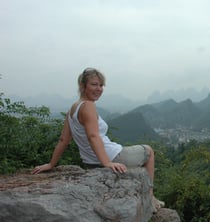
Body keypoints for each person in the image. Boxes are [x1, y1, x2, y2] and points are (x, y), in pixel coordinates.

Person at [31, 67, 164, 212]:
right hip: (112, 156)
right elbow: (93, 136)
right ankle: (150, 196)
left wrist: (51, 164)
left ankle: (148, 195)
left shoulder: (72, 109)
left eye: (101, 85)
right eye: (94, 84)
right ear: (83, 86)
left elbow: (64, 140)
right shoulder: (88, 106)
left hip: (90, 163)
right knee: (149, 151)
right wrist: (106, 162)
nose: (99, 89)